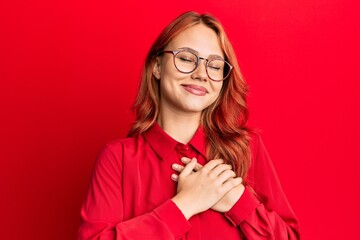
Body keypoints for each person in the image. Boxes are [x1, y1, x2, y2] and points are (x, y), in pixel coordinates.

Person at [78, 11, 300, 239]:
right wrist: (185, 205)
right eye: (186, 58)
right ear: (157, 67)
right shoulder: (118, 158)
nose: (201, 74)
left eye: (215, 66)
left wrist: (238, 202)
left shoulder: (247, 149)